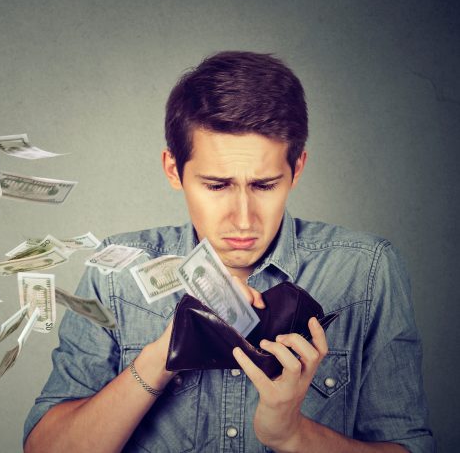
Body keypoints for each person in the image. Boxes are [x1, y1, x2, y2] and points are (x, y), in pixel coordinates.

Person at [23, 51, 434, 452]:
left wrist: (293, 435)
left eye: (265, 185)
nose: (242, 219)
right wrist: (159, 357)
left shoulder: (366, 270)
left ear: (298, 169)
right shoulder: (115, 273)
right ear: (173, 170)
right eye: (217, 186)